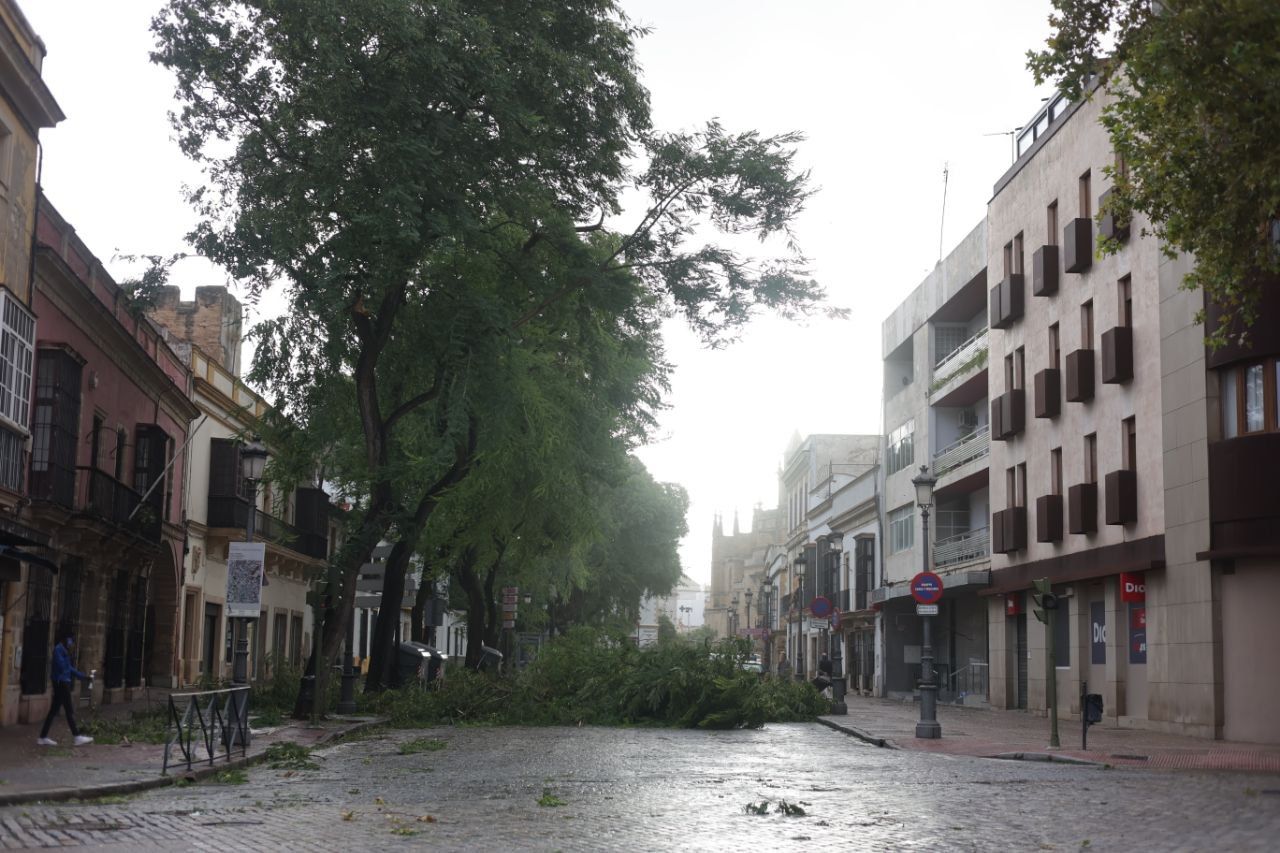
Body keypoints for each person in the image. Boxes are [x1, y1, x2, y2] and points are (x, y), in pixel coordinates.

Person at [37, 633, 94, 747]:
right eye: (71, 641)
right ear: (65, 640)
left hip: (63, 682)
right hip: (61, 683)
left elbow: (70, 669)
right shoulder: (59, 650)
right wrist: (68, 656)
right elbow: (63, 667)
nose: (72, 643)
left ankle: (42, 737)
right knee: (69, 710)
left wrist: (83, 677)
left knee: (53, 711)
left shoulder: (63, 651)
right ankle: (77, 736)